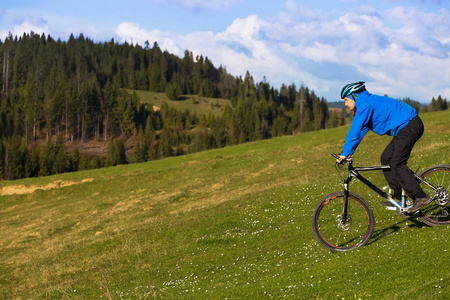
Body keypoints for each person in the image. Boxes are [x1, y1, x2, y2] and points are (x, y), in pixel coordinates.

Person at [337, 81, 431, 213]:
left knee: (397, 162)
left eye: (346, 100)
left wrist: (345, 152)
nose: (346, 104)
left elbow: (355, 129)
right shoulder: (365, 104)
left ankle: (420, 196)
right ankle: (398, 197)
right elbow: (359, 132)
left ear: (354, 96)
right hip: (404, 128)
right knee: (386, 158)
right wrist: (348, 152)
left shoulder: (364, 103)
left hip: (410, 125)